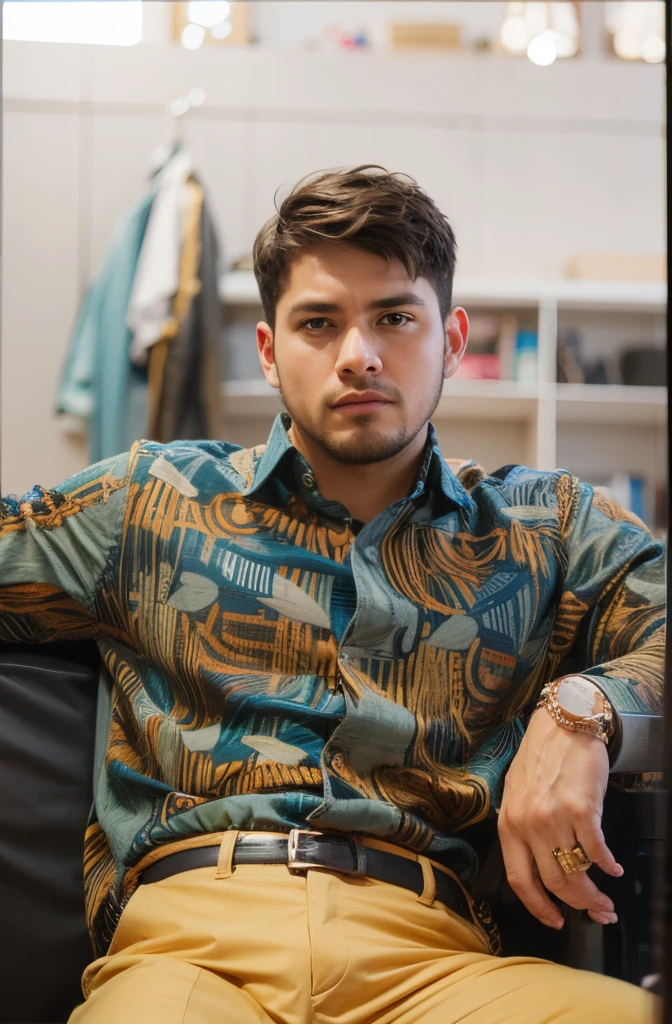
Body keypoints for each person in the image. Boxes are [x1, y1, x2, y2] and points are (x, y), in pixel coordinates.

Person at [0, 165, 663, 1024]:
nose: (360, 354)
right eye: (320, 322)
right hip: (193, 952)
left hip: (438, 964)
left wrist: (587, 704)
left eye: (394, 316)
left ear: (453, 340)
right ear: (272, 351)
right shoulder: (150, 500)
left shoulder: (547, 527)